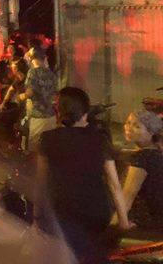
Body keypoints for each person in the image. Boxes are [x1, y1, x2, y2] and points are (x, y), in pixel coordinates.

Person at [37, 87, 132, 263]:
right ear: (85, 114)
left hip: (60, 212)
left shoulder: (47, 139)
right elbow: (114, 184)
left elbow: (41, 182)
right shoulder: (99, 139)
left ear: (59, 112)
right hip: (95, 212)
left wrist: (37, 218)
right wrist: (123, 222)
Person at [120, 109, 163, 231]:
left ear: (151, 133)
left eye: (137, 126)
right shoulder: (157, 152)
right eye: (128, 123)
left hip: (144, 222)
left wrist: (115, 226)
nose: (129, 128)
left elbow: (127, 197)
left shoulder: (142, 158)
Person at [21, 47, 57, 151]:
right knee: (49, 149)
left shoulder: (33, 72)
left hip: (37, 117)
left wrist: (21, 96)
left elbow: (29, 93)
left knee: (36, 150)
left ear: (31, 58)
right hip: (51, 117)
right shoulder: (50, 73)